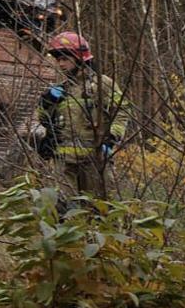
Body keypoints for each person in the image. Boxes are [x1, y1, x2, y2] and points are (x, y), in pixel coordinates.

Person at [28, 31, 131, 199]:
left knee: (99, 208)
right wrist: (46, 104)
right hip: (64, 162)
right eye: (58, 60)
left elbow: (122, 111)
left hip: (94, 160)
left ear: (79, 58)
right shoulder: (61, 90)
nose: (60, 64)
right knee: (61, 209)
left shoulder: (102, 84)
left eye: (65, 59)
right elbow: (44, 121)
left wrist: (111, 136)